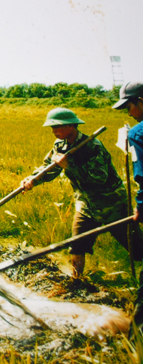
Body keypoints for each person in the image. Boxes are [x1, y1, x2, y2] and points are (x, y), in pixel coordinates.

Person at [20, 107, 143, 278]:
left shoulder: (93, 146)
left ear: (71, 126)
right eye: (52, 128)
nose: (54, 131)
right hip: (85, 204)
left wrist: (69, 166)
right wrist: (32, 180)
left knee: (137, 248)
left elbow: (98, 180)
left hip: (112, 204)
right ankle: (77, 281)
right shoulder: (60, 145)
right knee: (77, 245)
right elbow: (49, 168)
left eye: (57, 127)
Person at [112, 82, 143, 331]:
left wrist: (141, 207)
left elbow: (142, 177)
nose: (128, 113)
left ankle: (136, 336)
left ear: (140, 100)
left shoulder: (138, 133)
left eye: (129, 106)